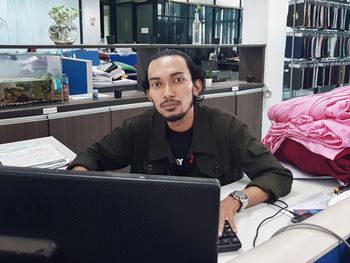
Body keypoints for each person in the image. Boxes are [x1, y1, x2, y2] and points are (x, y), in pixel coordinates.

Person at [70, 49, 293, 236]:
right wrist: (77, 188)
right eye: (157, 84)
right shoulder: (138, 128)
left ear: (196, 86)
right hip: (151, 228)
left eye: (177, 80)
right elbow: (93, 157)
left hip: (210, 228)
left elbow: (277, 175)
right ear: (149, 94)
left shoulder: (226, 127)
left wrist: (234, 200)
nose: (167, 93)